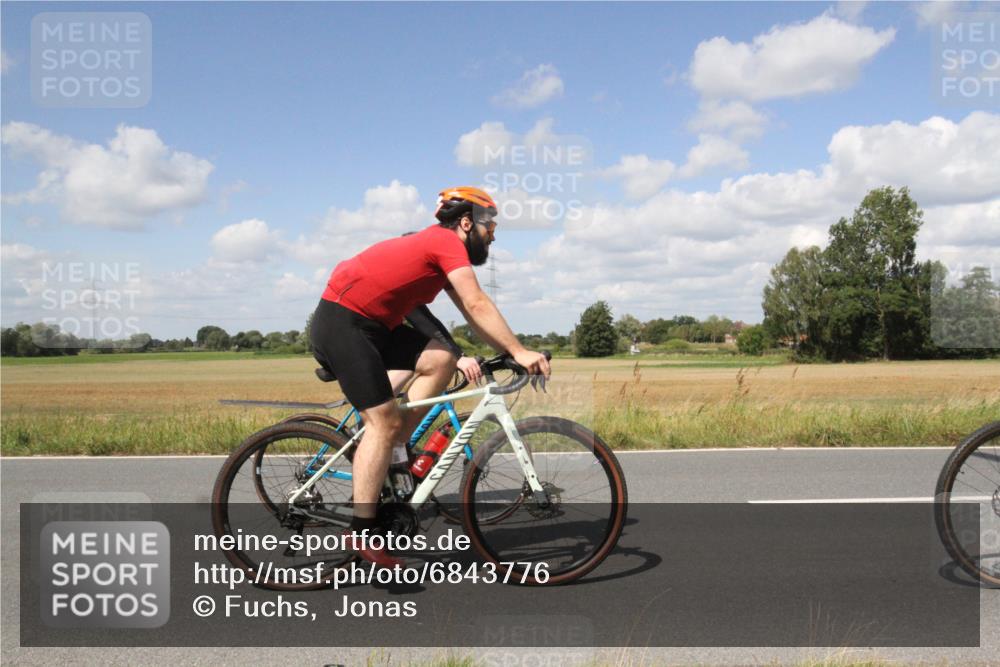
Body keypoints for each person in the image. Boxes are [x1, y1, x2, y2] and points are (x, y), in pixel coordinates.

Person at [310, 186, 551, 567]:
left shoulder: (441, 253)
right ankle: (362, 531)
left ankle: (395, 449)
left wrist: (507, 352)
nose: (493, 233)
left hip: (373, 327)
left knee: (442, 357)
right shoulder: (443, 243)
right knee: (382, 422)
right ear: (467, 222)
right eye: (490, 225)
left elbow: (472, 315)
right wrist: (520, 352)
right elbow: (477, 302)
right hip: (345, 324)